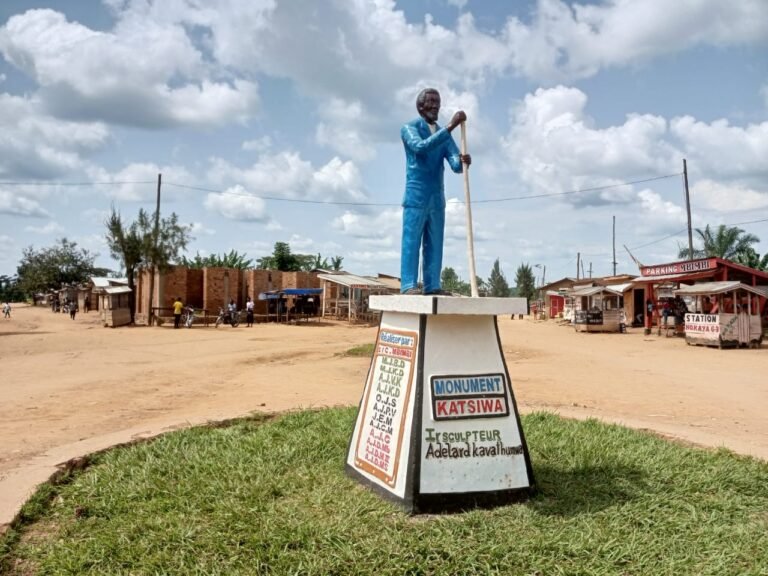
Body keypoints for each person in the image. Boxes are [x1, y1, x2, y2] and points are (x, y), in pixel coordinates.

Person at [400, 87, 471, 295]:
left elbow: (456, 165)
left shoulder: (443, 135)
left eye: (437, 102)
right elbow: (420, 147)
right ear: (420, 105)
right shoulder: (409, 128)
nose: (435, 106)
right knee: (411, 240)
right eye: (430, 102)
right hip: (416, 195)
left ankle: (433, 285)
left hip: (436, 197)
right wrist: (450, 127)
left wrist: (464, 160)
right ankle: (408, 285)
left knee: (435, 242)